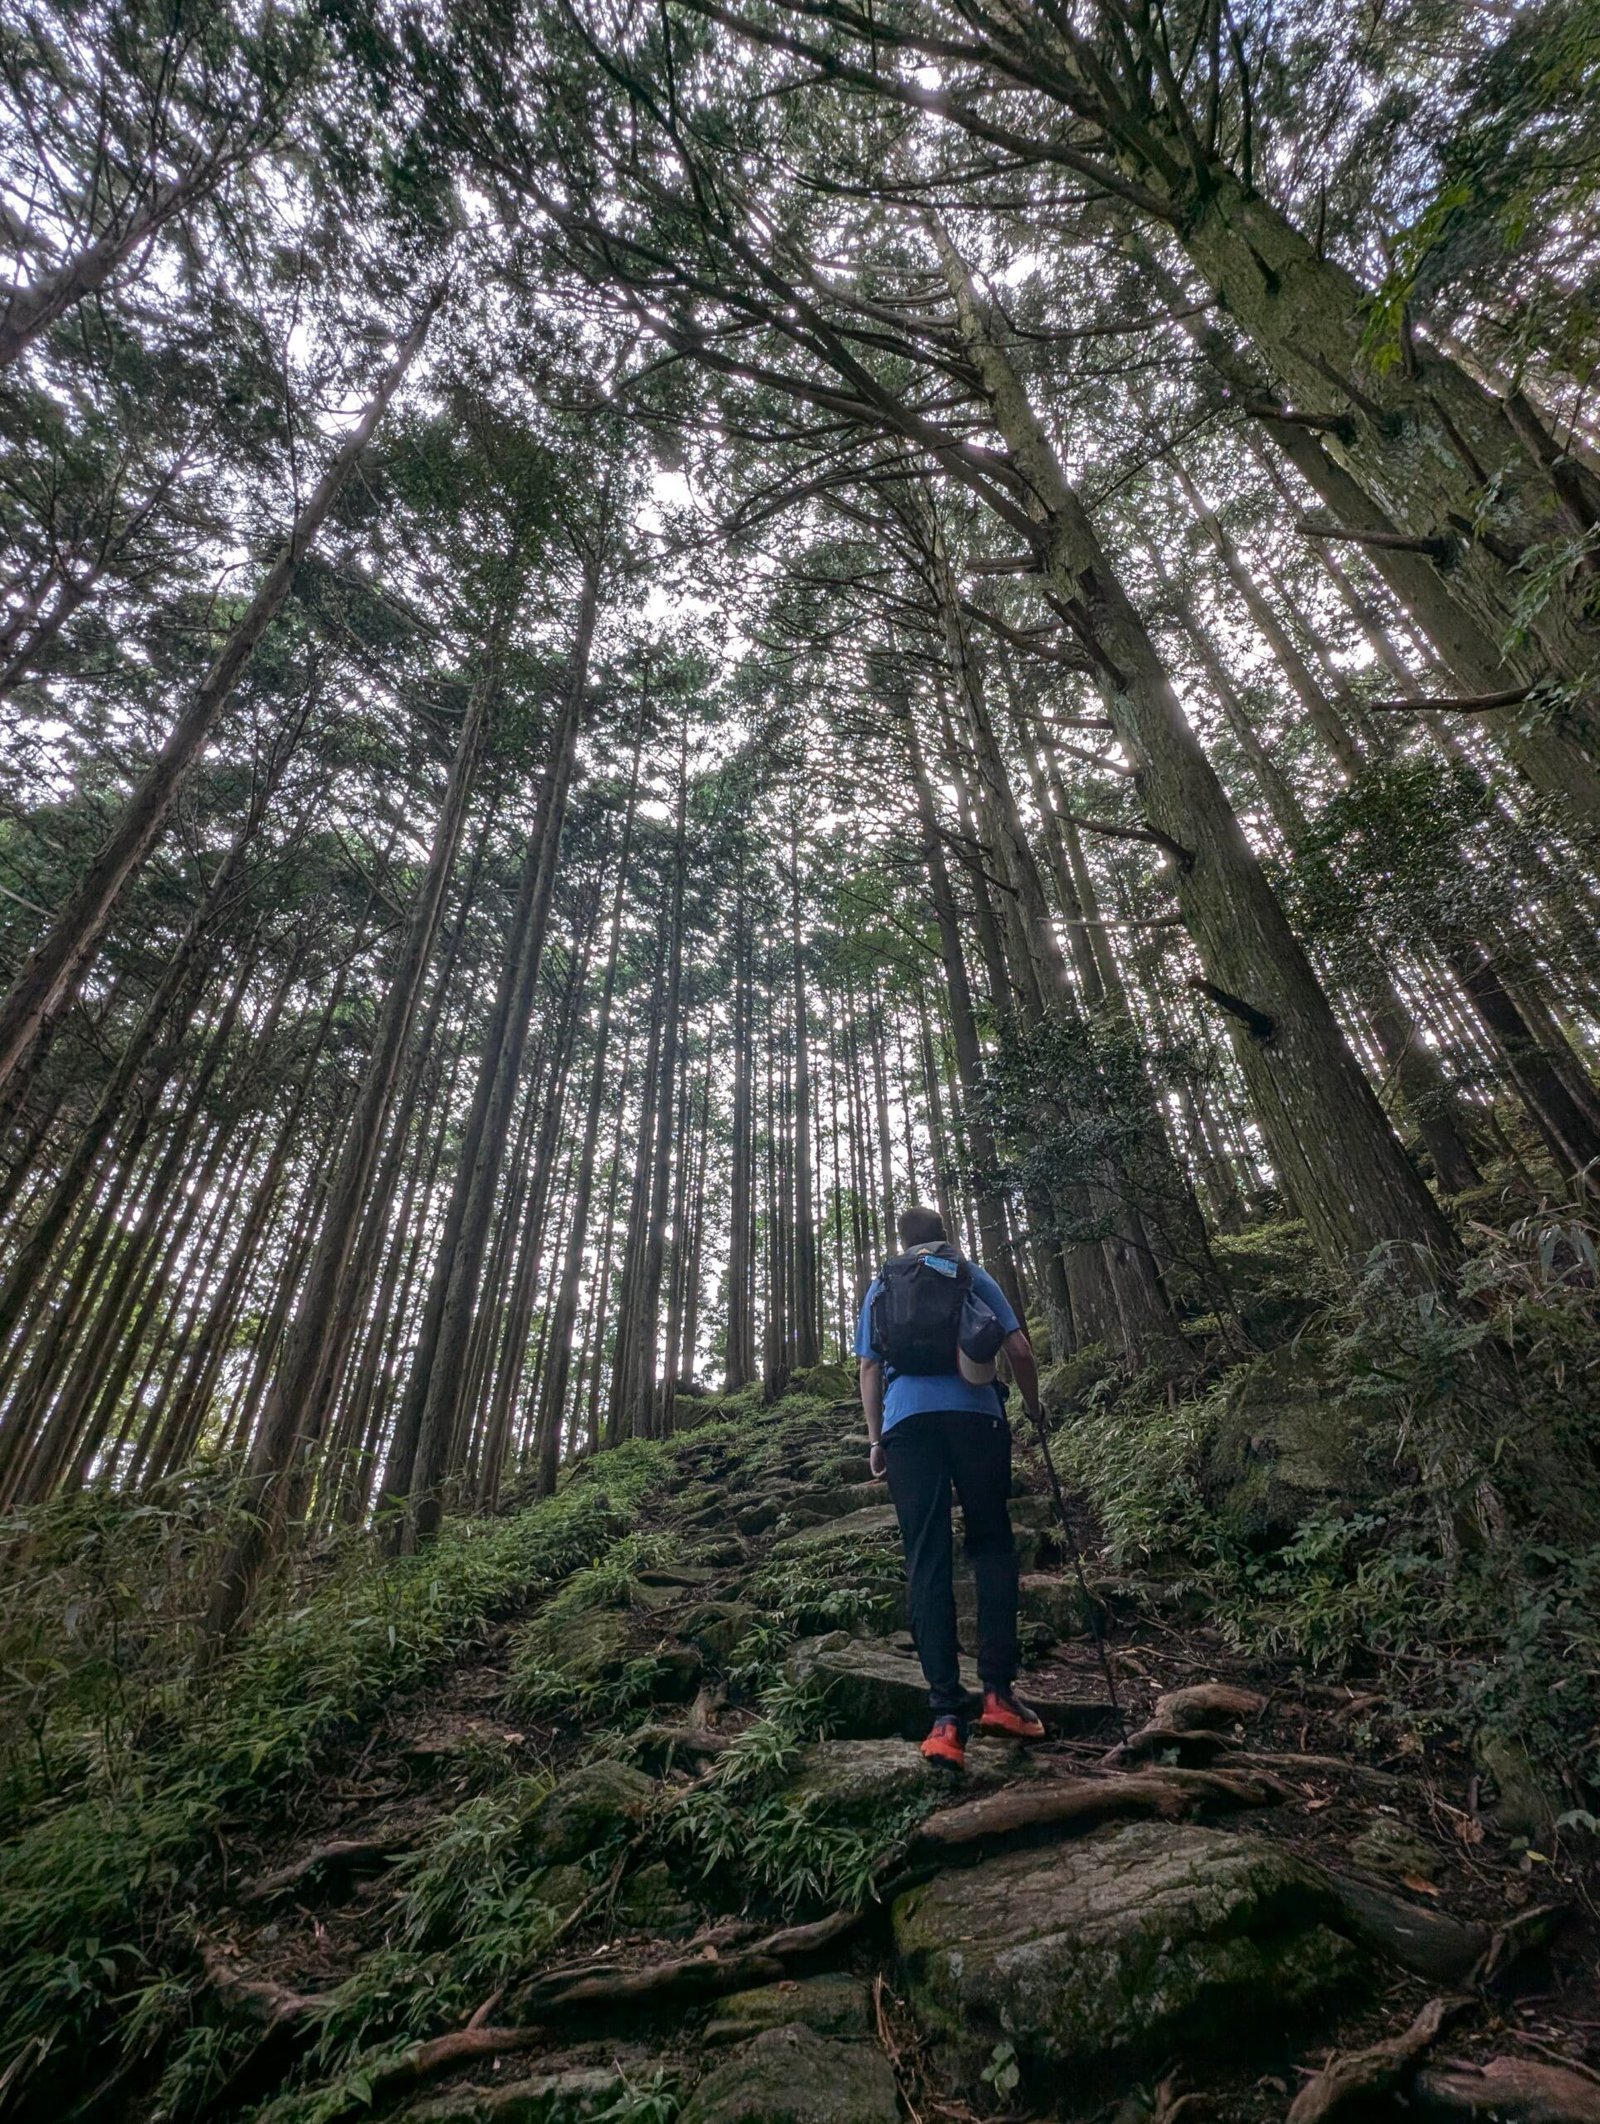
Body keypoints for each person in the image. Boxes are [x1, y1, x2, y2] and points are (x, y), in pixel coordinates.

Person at [856, 1205, 1046, 1769]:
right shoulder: (968, 1272)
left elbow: (868, 1369)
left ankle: (945, 1718)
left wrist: (876, 1439)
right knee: (991, 1544)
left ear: (902, 1242)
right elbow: (1018, 1350)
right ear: (944, 1236)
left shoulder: (881, 1286)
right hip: (977, 1418)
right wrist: (1033, 1408)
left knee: (926, 1556)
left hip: (907, 1426)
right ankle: (997, 1695)